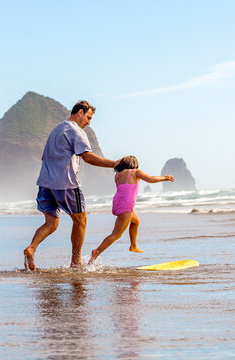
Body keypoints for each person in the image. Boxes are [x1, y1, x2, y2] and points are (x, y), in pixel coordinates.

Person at [23, 100, 117, 271]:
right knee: (80, 220)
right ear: (79, 112)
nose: (88, 122)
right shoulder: (76, 131)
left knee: (51, 223)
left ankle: (32, 248)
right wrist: (115, 164)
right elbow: (88, 157)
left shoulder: (56, 130)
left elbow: (44, 158)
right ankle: (76, 261)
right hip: (66, 184)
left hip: (45, 184)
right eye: (88, 117)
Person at [89, 156, 175, 264]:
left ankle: (133, 246)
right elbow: (150, 179)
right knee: (116, 234)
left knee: (136, 221)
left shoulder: (117, 175)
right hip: (126, 205)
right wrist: (165, 177)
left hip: (118, 202)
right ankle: (97, 251)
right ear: (134, 164)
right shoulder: (135, 171)